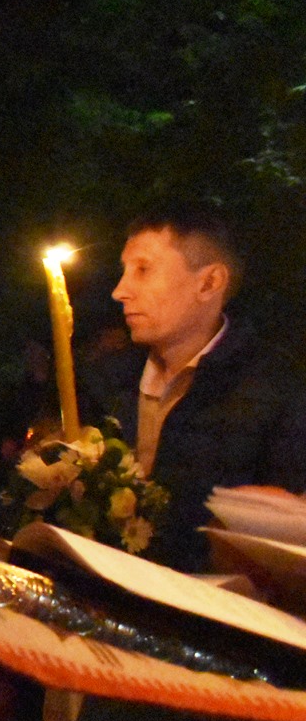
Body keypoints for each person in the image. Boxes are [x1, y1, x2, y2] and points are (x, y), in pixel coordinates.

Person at [82, 203, 306, 571]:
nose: (120, 291)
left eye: (143, 270)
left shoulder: (277, 390)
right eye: (124, 271)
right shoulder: (104, 379)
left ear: (208, 283)